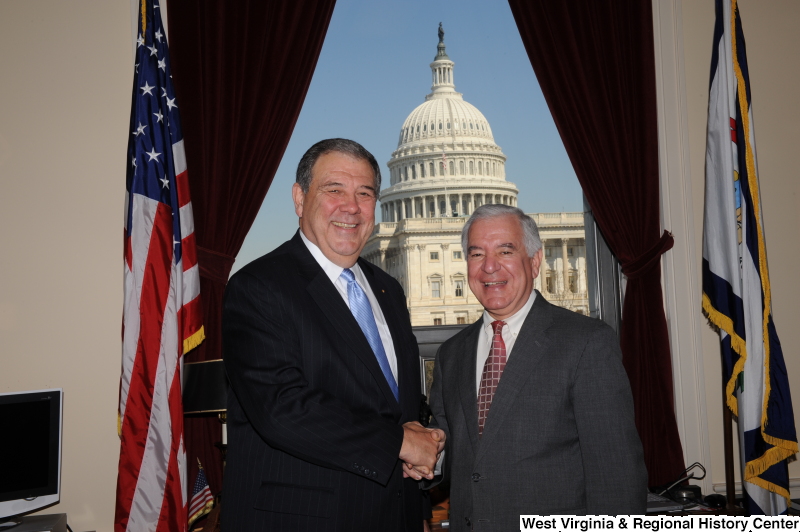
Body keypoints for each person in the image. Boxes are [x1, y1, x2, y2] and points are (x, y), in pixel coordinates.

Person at [222, 138, 444, 532]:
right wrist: (400, 443)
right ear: (299, 197)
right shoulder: (258, 287)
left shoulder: (387, 290)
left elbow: (396, 402)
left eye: (364, 193)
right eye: (334, 190)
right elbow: (281, 409)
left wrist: (421, 492)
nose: (351, 206)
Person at [427, 204, 647, 527]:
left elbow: (617, 477)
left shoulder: (586, 343)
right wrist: (426, 453)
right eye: (476, 254)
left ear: (534, 261)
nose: (489, 267)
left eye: (505, 251)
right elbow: (454, 455)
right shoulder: (451, 354)